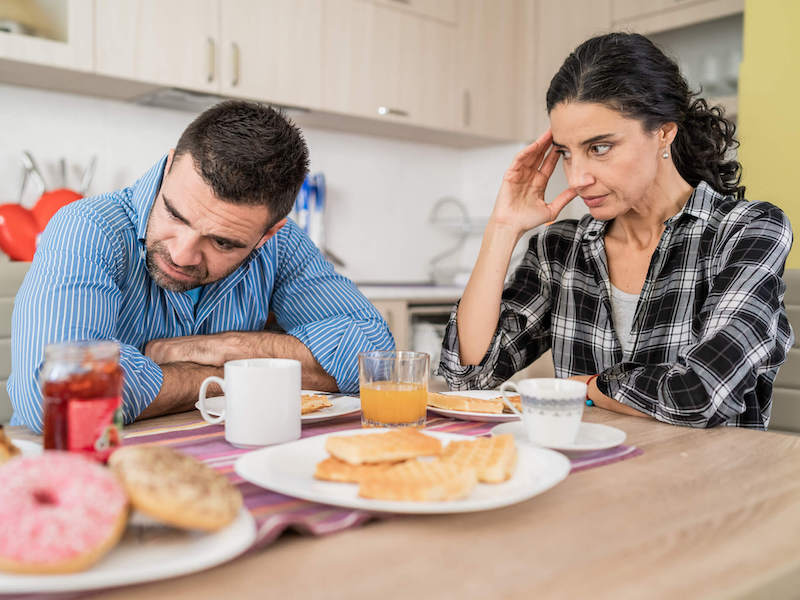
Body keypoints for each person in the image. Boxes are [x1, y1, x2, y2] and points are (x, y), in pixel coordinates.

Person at [439, 32, 793, 429]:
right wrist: (502, 228)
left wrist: (587, 388)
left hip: (706, 485)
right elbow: (468, 377)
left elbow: (701, 394)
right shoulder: (561, 248)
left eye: (600, 147)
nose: (577, 178)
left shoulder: (746, 231)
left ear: (663, 132)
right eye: (565, 153)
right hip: (590, 479)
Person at [9, 100, 394, 433]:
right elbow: (57, 395)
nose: (182, 254)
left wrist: (224, 347)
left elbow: (377, 359)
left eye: (222, 242)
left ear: (267, 233)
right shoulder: (89, 227)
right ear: (170, 165)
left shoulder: (283, 244)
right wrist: (232, 377)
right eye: (175, 214)